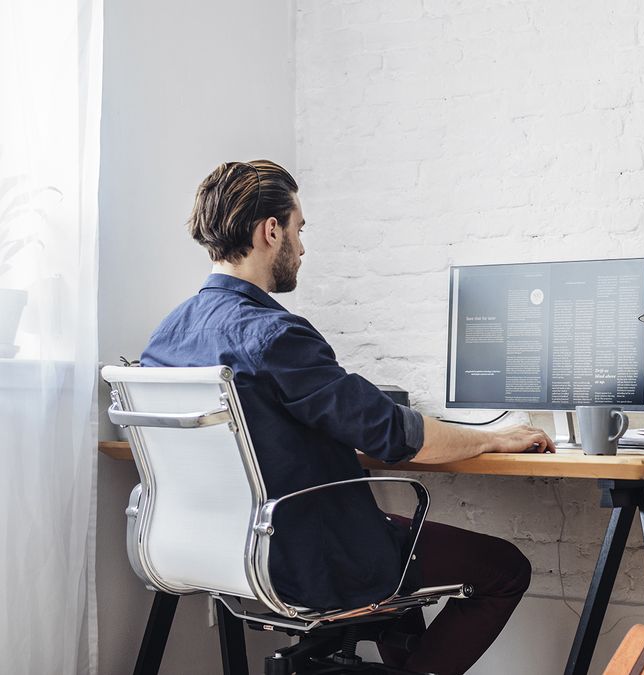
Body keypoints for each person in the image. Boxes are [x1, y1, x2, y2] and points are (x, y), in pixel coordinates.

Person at [140, 160, 555, 675]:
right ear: (272, 231)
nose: (303, 246)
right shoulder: (274, 335)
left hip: (218, 549)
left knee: (396, 556)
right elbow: (395, 436)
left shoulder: (168, 334)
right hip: (306, 554)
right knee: (505, 568)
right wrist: (494, 438)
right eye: (300, 228)